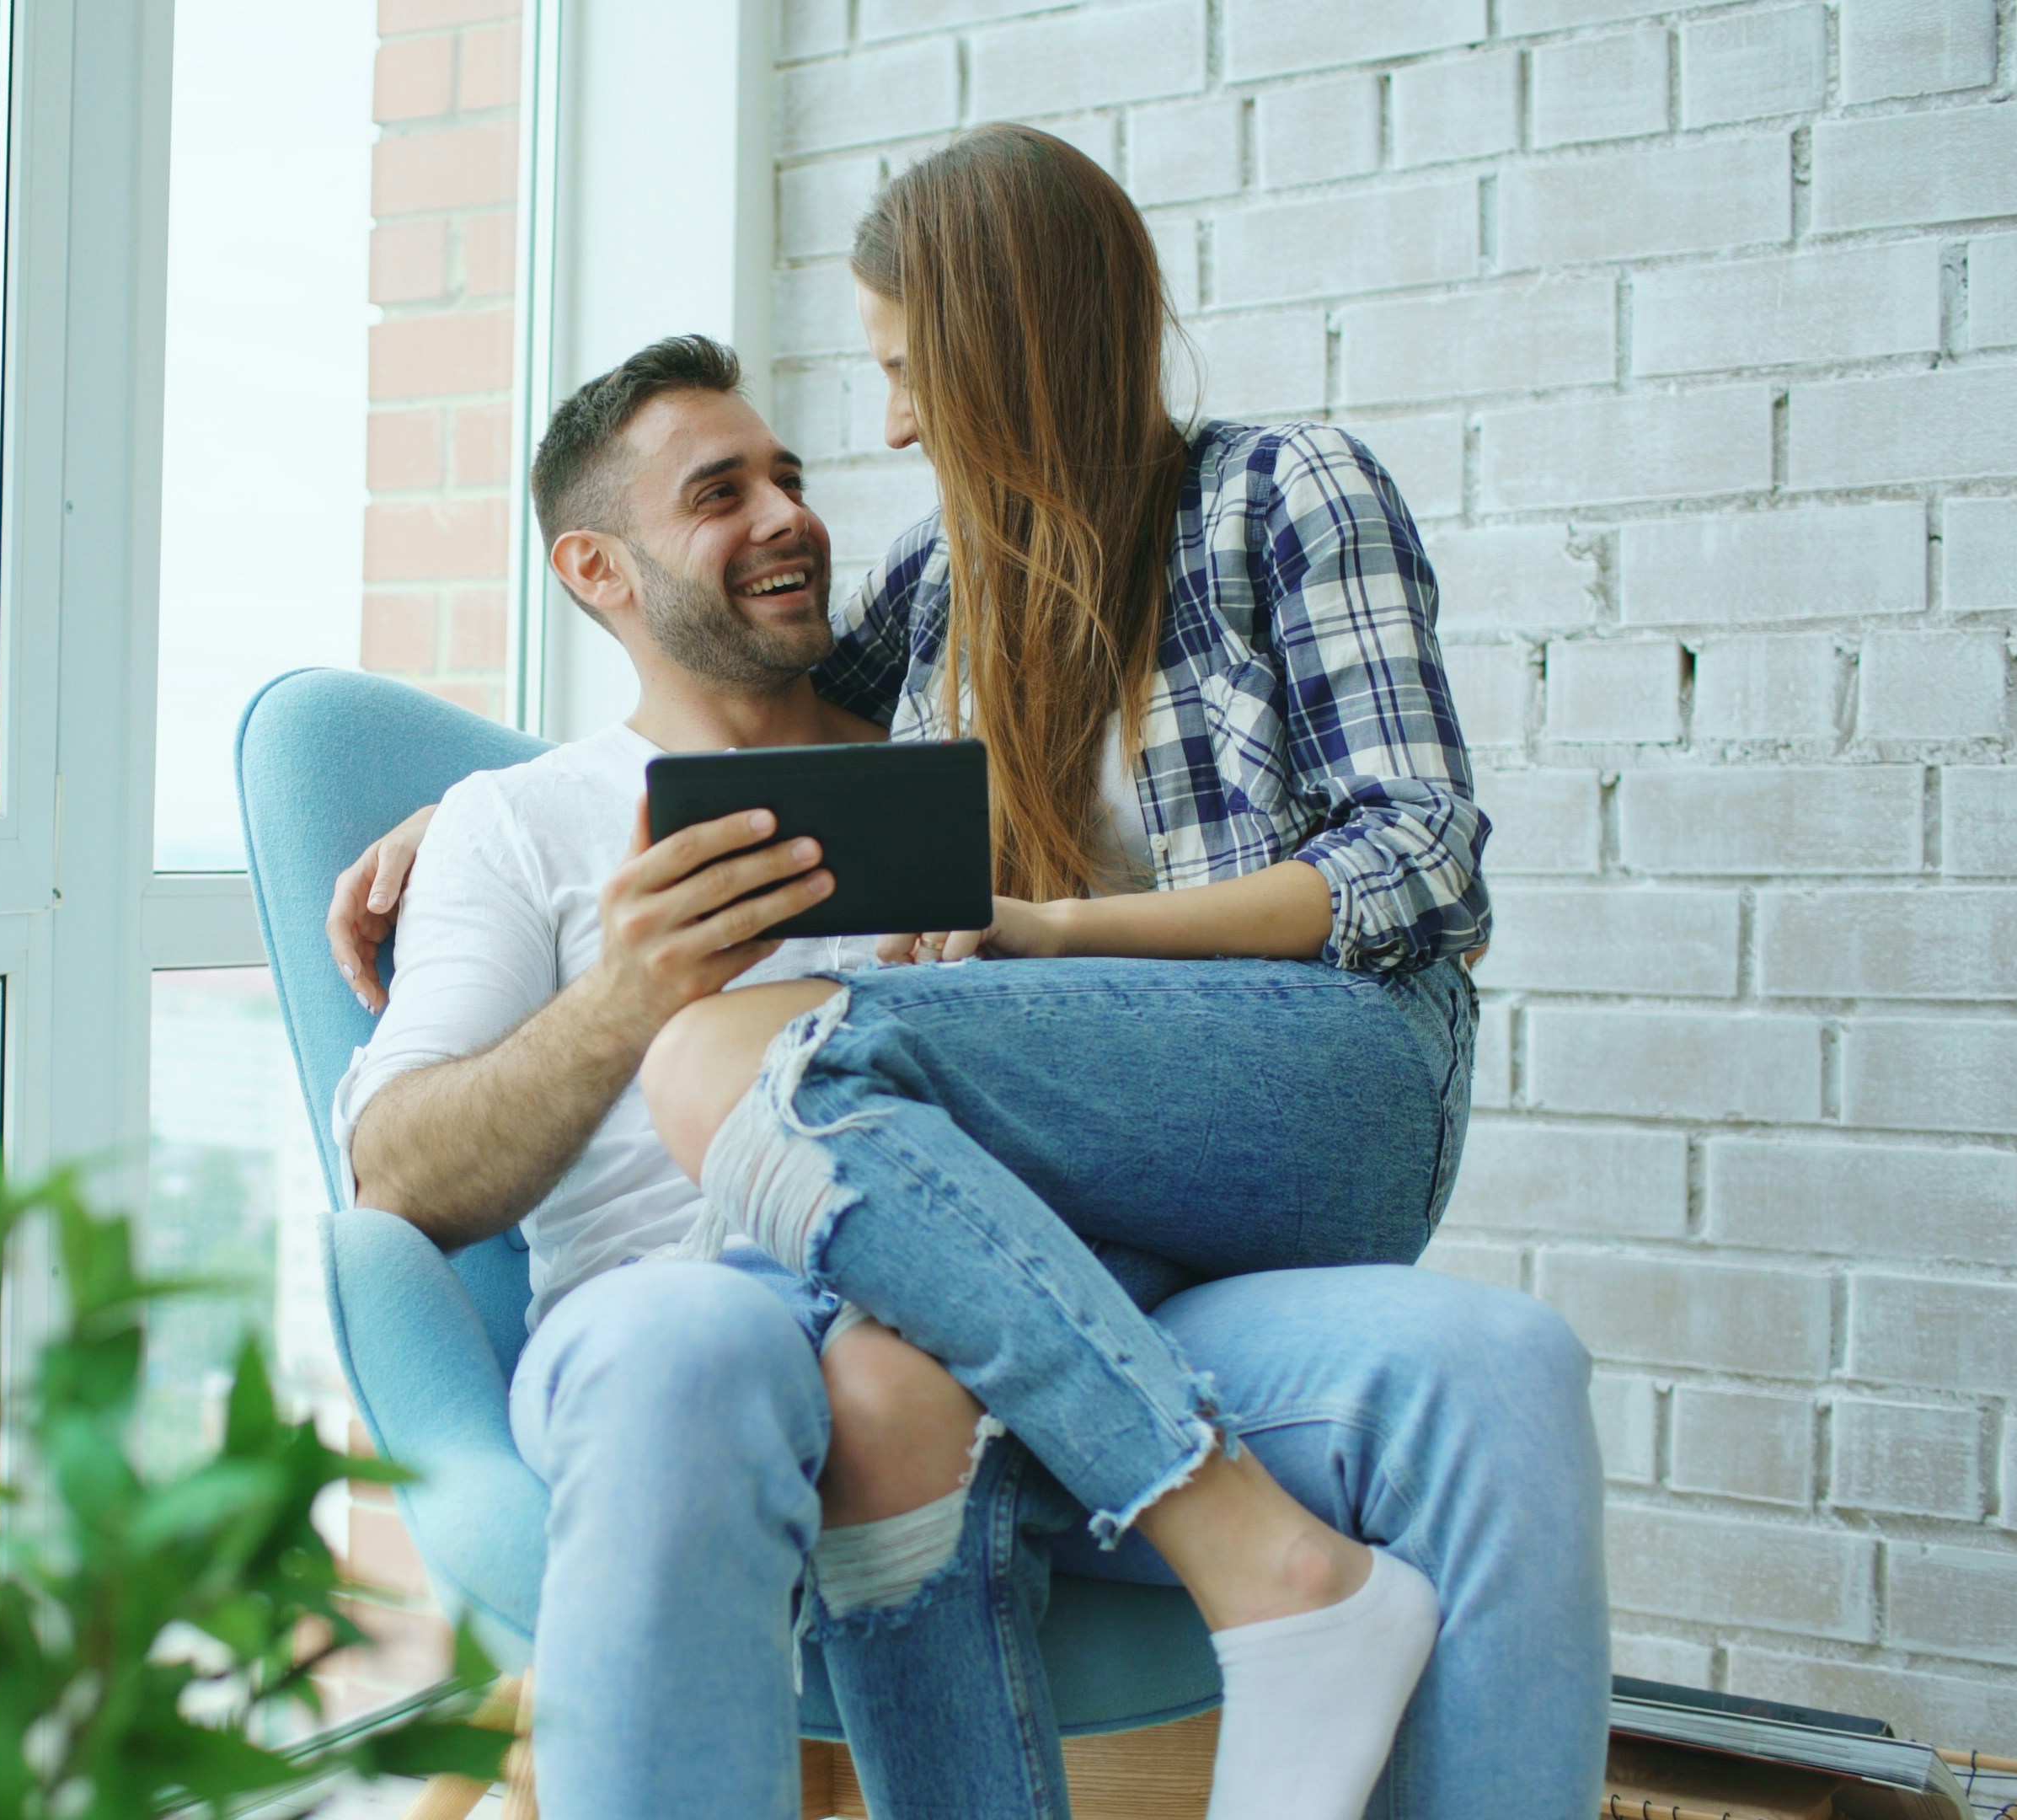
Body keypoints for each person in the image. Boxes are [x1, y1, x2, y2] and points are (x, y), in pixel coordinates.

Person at [333, 329, 1606, 1820]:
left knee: (1498, 1371)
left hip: (1067, 1319)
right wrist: (624, 999)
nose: (787, 515)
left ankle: (1270, 1572)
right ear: (597, 571)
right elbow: (400, 1173)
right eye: (718, 492)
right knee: (683, 1349)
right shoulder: (518, 823)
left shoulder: (980, 749)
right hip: (715, 1314)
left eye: (790, 477)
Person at [621, 122, 1501, 1820]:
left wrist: (1060, 932)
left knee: (722, 1058)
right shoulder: (944, 588)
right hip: (1086, 1152)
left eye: (904, 370)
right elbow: (753, 726)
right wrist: (473, 815)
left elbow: (1416, 863)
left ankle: (1265, 1565)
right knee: (883, 1392)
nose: (889, 427)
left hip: (1335, 1085)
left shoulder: (1284, 492)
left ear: (1004, 343)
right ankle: (1257, 1577)